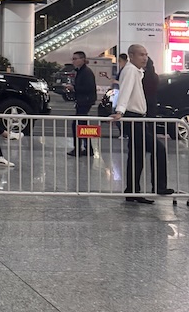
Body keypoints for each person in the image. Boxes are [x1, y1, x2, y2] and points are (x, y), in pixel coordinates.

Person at [111, 44, 173, 203]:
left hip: (137, 118)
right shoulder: (131, 70)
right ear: (131, 56)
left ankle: (132, 191)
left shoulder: (136, 71)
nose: (145, 58)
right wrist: (120, 111)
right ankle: (158, 186)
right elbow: (125, 91)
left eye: (146, 54)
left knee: (136, 155)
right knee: (158, 149)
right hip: (133, 118)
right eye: (141, 55)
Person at [66, 51, 96, 157]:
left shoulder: (86, 72)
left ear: (82, 59)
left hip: (85, 101)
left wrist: (74, 88)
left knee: (78, 124)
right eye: (73, 59)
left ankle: (79, 148)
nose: (73, 61)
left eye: (75, 59)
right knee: (82, 124)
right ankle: (88, 148)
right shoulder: (81, 71)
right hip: (83, 100)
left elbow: (88, 87)